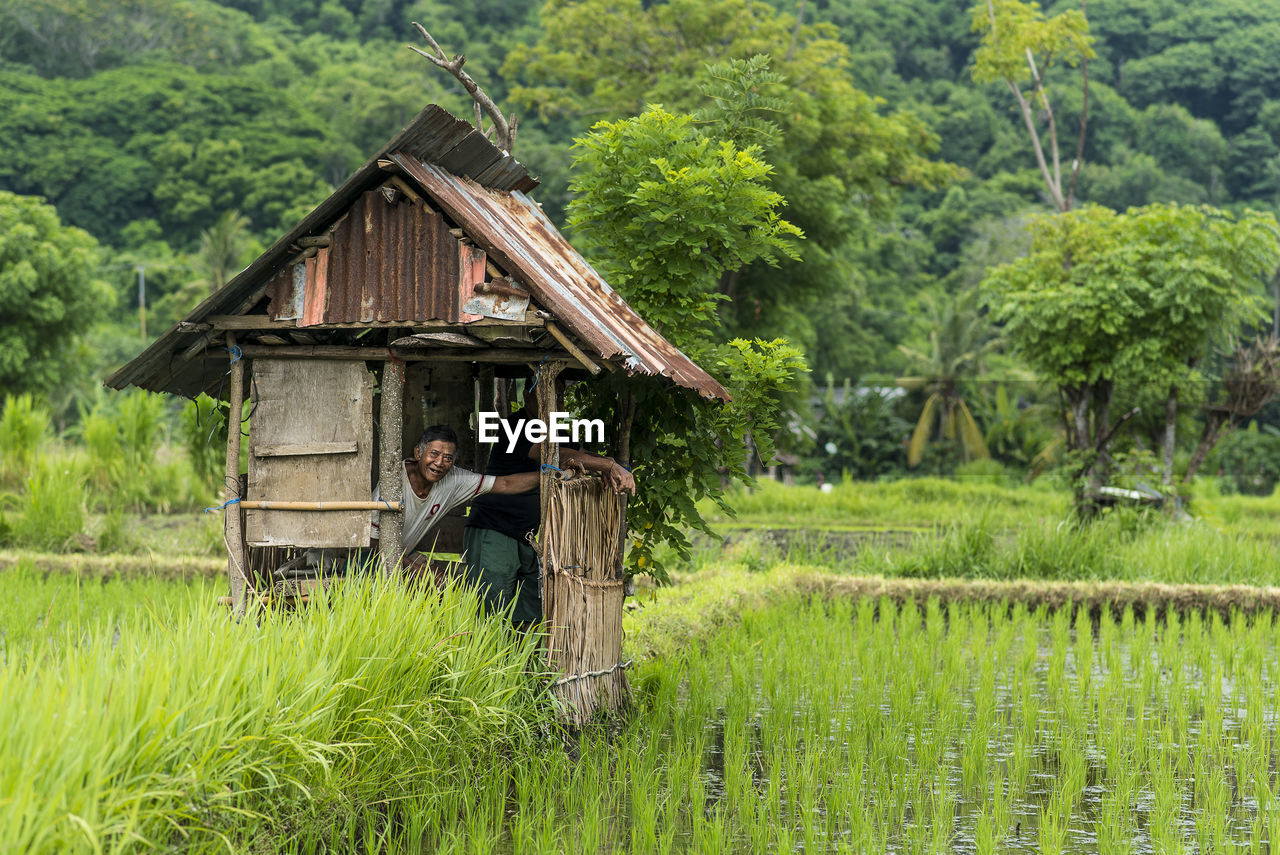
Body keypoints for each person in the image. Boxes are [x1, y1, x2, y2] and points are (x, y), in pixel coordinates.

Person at [463, 404, 634, 628]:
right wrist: (608, 465)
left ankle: (521, 662)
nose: (557, 395)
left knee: (529, 613)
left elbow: (577, 455)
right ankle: (483, 662)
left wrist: (606, 465)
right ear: (527, 393)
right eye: (552, 386)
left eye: (561, 389)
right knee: (491, 609)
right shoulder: (515, 425)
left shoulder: (556, 428)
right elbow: (553, 454)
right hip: (496, 530)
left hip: (528, 536)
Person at [371, 424, 546, 565]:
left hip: (400, 556)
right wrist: (413, 568)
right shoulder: (392, 483)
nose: (439, 463)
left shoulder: (454, 479)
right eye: (434, 454)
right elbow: (372, 544)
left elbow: (505, 484)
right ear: (418, 453)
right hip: (368, 557)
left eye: (448, 458)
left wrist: (547, 474)